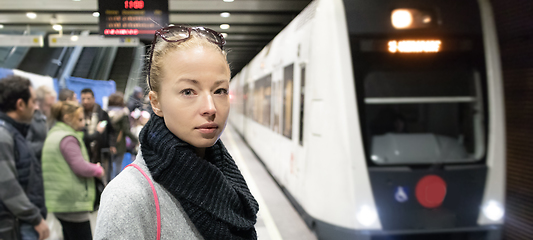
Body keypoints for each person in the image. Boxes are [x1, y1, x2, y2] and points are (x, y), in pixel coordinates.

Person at [94, 26, 259, 239]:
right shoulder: (128, 197)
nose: (211, 107)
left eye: (220, 91)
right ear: (156, 103)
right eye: (188, 91)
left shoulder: (225, 177)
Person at [41, 101, 104, 240]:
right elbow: (80, 166)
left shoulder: (55, 133)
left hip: (62, 199)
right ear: (67, 118)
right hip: (72, 201)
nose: (83, 124)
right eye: (79, 119)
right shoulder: (68, 138)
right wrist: (97, 170)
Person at [0, 75, 49, 240]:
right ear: (20, 104)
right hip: (16, 225)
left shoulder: (13, 132)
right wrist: (34, 217)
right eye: (33, 101)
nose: (36, 107)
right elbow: (7, 186)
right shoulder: (3, 135)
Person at [80, 88, 116, 179]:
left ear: (94, 99)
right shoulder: (79, 114)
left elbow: (111, 130)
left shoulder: (102, 113)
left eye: (88, 98)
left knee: (103, 176)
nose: (85, 101)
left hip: (101, 150)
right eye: (83, 99)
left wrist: (112, 144)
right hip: (85, 150)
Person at [106, 92, 138, 180]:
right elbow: (126, 130)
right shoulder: (123, 113)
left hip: (107, 143)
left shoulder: (105, 112)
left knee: (108, 167)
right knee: (117, 166)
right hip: (119, 143)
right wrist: (136, 140)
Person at [27, 85, 57, 161]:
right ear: (39, 103)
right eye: (48, 105)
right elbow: (26, 146)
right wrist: (48, 145)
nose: (52, 108)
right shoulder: (30, 120)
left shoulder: (56, 119)